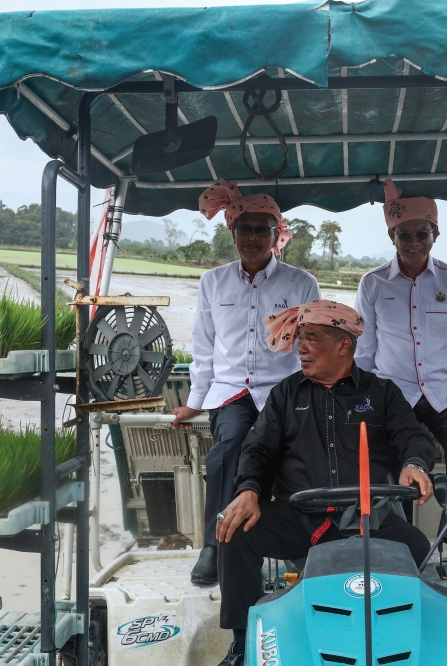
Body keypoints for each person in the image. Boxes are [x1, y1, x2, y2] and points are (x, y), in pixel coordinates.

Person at [213, 300, 436, 666]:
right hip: (300, 519)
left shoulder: (381, 393)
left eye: (311, 339)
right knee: (233, 530)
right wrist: (249, 490)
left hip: (369, 519)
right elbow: (257, 450)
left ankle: (390, 643)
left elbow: (414, 436)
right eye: (300, 338)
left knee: (414, 543)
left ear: (343, 345)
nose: (300, 347)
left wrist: (414, 464)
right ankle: (242, 641)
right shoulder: (286, 394)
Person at [172, 179, 320, 585]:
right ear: (231, 231)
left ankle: (299, 545)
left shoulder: (300, 283)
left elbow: (311, 346)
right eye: (245, 228)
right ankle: (213, 546)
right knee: (228, 450)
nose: (253, 237)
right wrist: (195, 402)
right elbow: (203, 348)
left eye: (262, 229)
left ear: (277, 234)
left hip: (285, 391)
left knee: (298, 451)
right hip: (232, 392)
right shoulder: (212, 282)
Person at [354, 180, 447, 590]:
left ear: (435, 234)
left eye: (422, 233)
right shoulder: (373, 283)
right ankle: (387, 546)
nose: (413, 242)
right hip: (390, 393)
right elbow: (365, 349)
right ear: (391, 236)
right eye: (405, 234)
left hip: (442, 391)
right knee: (372, 451)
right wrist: (362, 396)